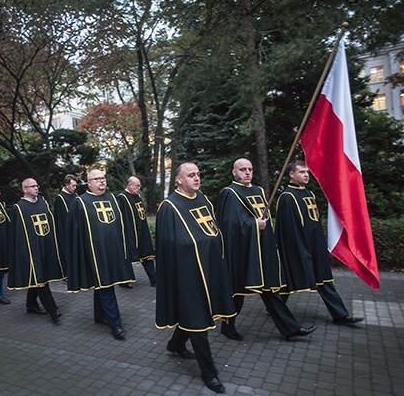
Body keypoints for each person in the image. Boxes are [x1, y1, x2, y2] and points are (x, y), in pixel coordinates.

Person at [155, 162, 236, 394]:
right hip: (186, 274)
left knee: (194, 316)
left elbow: (212, 232)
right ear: (179, 180)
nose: (197, 178)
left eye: (198, 174)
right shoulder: (169, 207)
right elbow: (168, 245)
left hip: (208, 268)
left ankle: (176, 344)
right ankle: (209, 373)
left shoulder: (203, 199)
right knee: (198, 319)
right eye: (191, 175)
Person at [216, 158, 316, 341]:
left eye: (250, 169)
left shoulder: (259, 191)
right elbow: (230, 223)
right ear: (234, 172)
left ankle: (290, 329)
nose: (247, 172)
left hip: (262, 249)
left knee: (270, 291)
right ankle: (228, 326)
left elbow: (267, 221)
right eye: (243, 169)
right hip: (242, 251)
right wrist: (254, 224)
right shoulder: (229, 193)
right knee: (237, 291)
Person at [275, 160, 364, 326]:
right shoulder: (287, 197)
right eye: (301, 172)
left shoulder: (309, 194)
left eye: (307, 172)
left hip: (316, 246)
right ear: (292, 175)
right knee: (289, 278)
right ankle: (275, 307)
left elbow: (315, 223)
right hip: (301, 248)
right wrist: (301, 250)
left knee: (324, 279)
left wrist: (321, 243)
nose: (306, 175)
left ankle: (340, 315)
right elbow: (289, 230)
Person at [66, 169, 135, 340]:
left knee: (103, 284)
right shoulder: (80, 202)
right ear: (89, 183)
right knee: (105, 284)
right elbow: (74, 232)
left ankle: (100, 316)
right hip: (94, 253)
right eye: (97, 179)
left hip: (112, 251)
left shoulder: (112, 198)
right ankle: (115, 324)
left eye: (103, 178)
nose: (101, 181)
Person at [8, 178, 64, 322]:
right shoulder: (19, 208)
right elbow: (17, 234)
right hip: (31, 251)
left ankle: (31, 305)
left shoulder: (42, 202)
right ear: (25, 189)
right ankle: (53, 310)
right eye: (32, 186)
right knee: (40, 279)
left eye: (36, 186)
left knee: (38, 278)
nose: (36, 188)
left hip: (45, 247)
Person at [117, 176, 156, 287]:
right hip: (130, 233)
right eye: (136, 186)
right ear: (129, 185)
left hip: (141, 231)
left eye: (139, 186)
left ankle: (154, 278)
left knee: (146, 254)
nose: (138, 188)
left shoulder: (137, 196)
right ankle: (124, 281)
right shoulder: (122, 198)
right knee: (127, 256)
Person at [53, 174, 77, 272]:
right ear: (67, 185)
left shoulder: (75, 195)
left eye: (75, 186)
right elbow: (61, 218)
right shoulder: (60, 198)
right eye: (73, 186)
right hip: (66, 230)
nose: (75, 188)